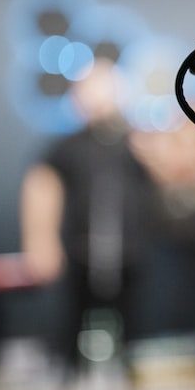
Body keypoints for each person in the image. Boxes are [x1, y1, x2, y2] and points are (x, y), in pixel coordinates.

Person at [20, 60, 161, 370]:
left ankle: (129, 384)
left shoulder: (138, 141)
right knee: (72, 326)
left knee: (134, 330)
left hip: (132, 254)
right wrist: (40, 240)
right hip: (80, 253)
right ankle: (70, 383)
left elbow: (173, 174)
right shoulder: (66, 147)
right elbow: (41, 187)